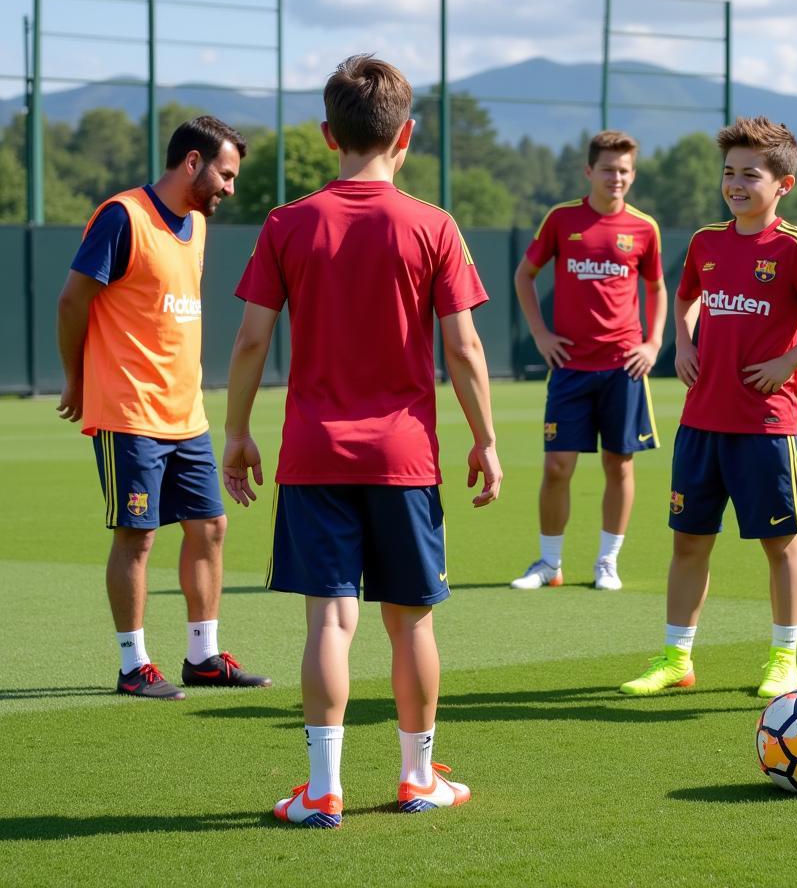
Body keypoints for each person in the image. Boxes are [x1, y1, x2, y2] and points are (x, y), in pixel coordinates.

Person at [223, 54, 501, 828]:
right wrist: (484, 439)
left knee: (329, 622)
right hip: (404, 458)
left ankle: (322, 790)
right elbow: (465, 349)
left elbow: (250, 342)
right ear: (405, 134)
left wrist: (238, 431)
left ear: (325, 135)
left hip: (313, 455)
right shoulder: (433, 225)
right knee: (410, 617)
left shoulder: (288, 223)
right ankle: (417, 778)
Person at [619, 116, 797, 698]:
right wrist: (684, 341)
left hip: (765, 427)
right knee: (689, 541)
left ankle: (784, 658)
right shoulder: (706, 241)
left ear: (784, 184)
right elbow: (685, 296)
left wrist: (788, 362)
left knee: (781, 545)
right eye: (730, 173)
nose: (737, 184)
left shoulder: (795, 246)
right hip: (701, 422)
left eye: (751, 174)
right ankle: (676, 658)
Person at [56, 115, 270, 700]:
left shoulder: (197, 225)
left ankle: (203, 656)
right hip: (129, 411)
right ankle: (133, 665)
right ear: (193, 163)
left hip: (187, 415)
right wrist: (76, 379)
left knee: (210, 527)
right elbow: (73, 301)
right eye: (225, 174)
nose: (230, 187)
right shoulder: (122, 217)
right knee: (138, 534)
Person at [511, 130, 667, 592]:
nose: (615, 178)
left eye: (623, 170)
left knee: (619, 464)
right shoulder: (562, 219)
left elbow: (657, 287)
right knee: (557, 466)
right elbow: (525, 275)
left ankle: (607, 562)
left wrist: (653, 342)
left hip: (624, 367)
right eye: (607, 169)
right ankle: (549, 563)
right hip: (571, 367)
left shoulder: (645, 227)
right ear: (589, 171)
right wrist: (540, 334)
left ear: (632, 175)